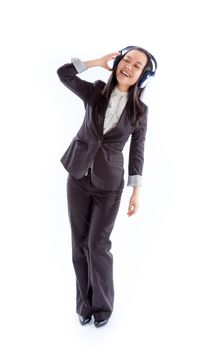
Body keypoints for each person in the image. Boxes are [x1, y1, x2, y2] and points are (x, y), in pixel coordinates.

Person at [57, 46, 157, 328]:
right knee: (79, 245)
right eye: (126, 60)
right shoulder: (96, 91)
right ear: (117, 63)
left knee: (97, 245)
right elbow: (63, 75)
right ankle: (84, 306)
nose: (129, 66)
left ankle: (102, 308)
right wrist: (95, 62)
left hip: (109, 184)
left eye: (137, 65)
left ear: (142, 76)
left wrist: (135, 190)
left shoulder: (140, 111)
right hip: (77, 176)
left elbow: (138, 150)